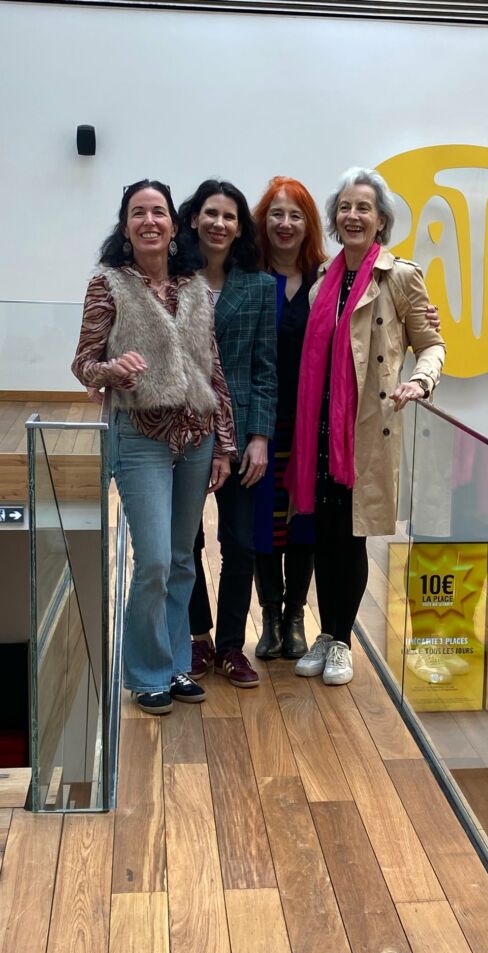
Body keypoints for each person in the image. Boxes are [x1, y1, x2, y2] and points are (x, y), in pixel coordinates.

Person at [72, 179, 237, 714]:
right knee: (155, 562)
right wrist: (111, 371)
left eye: (158, 212)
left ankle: (173, 665)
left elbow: (213, 370)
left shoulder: (195, 287)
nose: (149, 221)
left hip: (197, 437)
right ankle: (145, 672)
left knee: (183, 560)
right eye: (138, 213)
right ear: (126, 227)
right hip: (140, 436)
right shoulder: (108, 285)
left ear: (173, 225)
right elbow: (83, 363)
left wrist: (223, 446)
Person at [286, 167, 445, 686]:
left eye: (364, 208)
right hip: (318, 430)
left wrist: (419, 381)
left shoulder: (400, 277)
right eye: (345, 207)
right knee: (323, 536)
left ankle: (341, 641)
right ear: (335, 218)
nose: (353, 216)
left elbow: (432, 344)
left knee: (351, 537)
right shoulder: (322, 280)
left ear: (381, 220)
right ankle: (327, 634)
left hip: (365, 429)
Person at [180, 180, 278, 687]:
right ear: (193, 219)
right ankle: (198, 636)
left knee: (240, 542)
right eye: (211, 213)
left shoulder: (258, 286)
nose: (219, 223)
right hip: (183, 428)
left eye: (230, 216)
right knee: (187, 540)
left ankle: (232, 646)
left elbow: (265, 368)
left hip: (240, 435)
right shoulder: (173, 280)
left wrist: (260, 436)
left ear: (240, 228)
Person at [249, 177, 326, 661]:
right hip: (262, 423)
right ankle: (270, 617)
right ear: (264, 221)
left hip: (311, 423)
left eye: (295, 215)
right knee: (265, 522)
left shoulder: (326, 280)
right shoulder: (249, 277)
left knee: (304, 522)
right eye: (276, 214)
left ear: (308, 224)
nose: (285, 223)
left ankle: (296, 614)